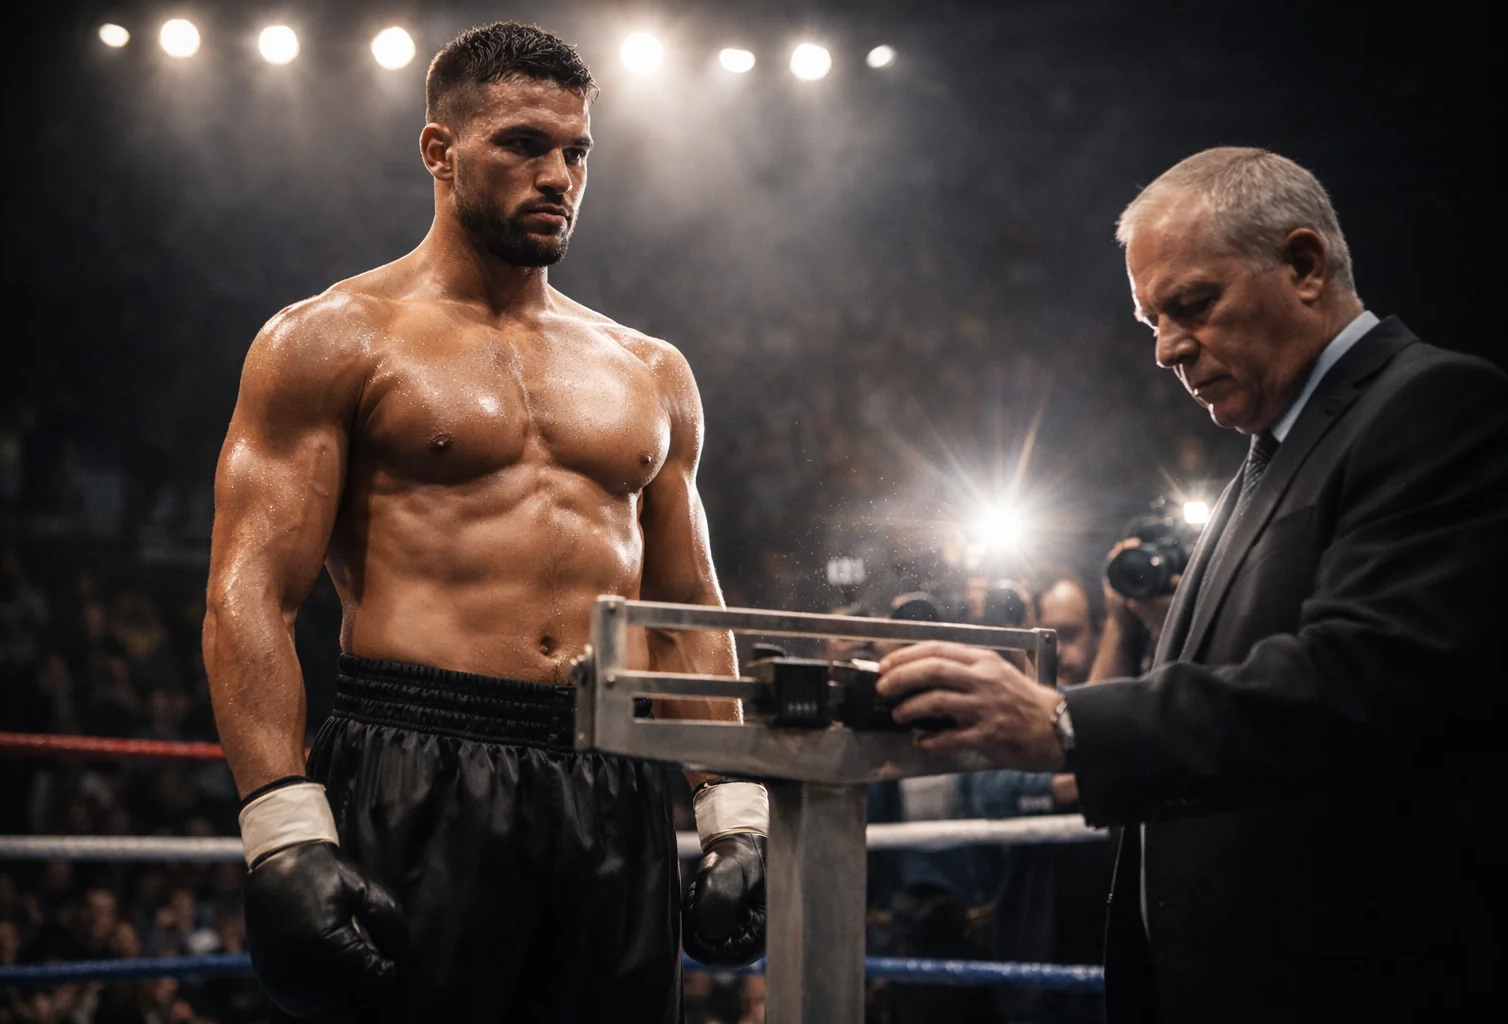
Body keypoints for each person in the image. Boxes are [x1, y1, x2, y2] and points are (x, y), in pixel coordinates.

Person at [203, 23, 766, 1023]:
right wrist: (281, 827)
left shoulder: (650, 370)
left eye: (577, 152)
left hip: (610, 779)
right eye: (523, 144)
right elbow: (249, 593)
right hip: (416, 762)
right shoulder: (332, 338)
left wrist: (733, 811)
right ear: (440, 149)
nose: (559, 176)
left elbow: (684, 603)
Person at [874, 147, 1508, 1021]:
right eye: (1151, 321)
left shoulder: (1433, 407)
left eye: (1193, 304)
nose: (1167, 348)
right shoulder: (1274, 449)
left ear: (1304, 266)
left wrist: (1064, 724)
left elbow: (1356, 680)